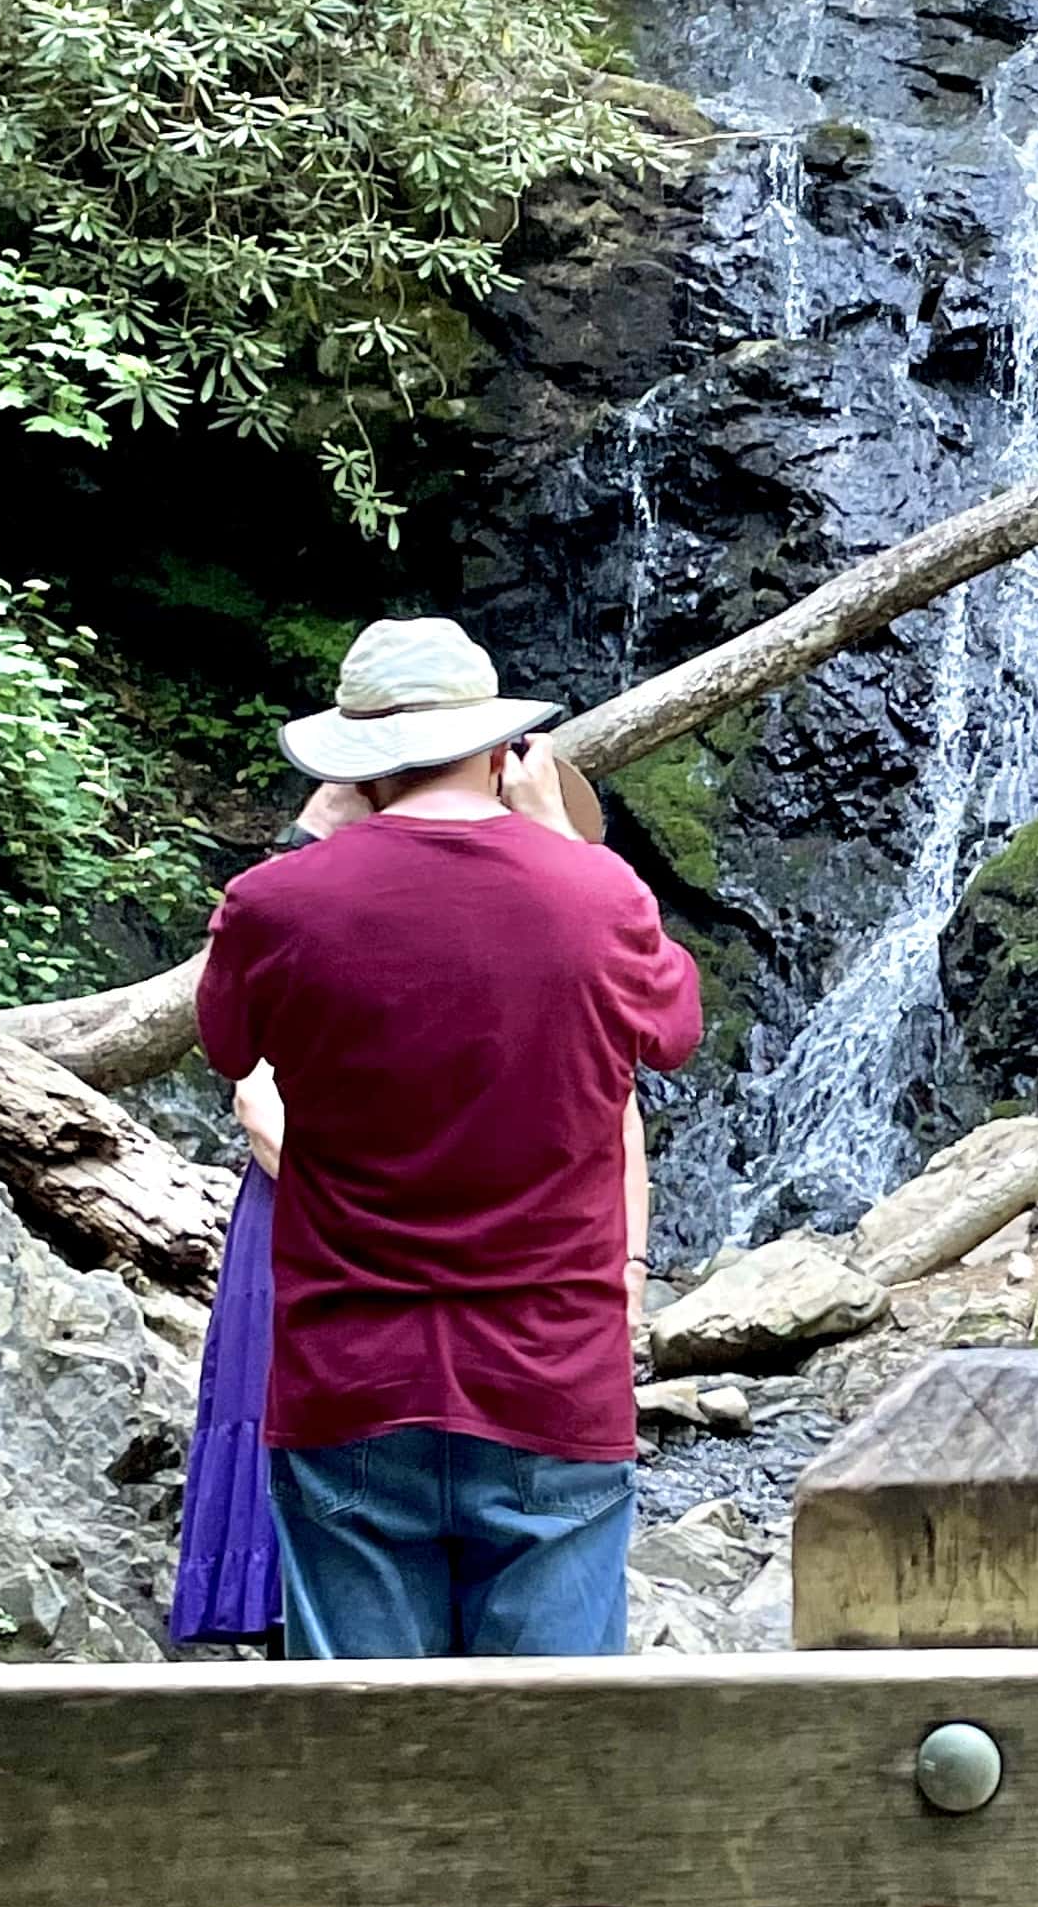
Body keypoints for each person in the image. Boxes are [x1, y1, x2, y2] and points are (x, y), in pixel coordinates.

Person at [196, 615, 702, 1658]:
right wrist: (560, 841)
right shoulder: (598, 896)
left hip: (349, 1379)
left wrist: (309, 838)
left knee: (365, 1762)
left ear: (356, 763)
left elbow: (225, 1037)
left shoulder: (276, 903)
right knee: (552, 1760)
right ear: (500, 746)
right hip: (551, 1375)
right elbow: (674, 1032)